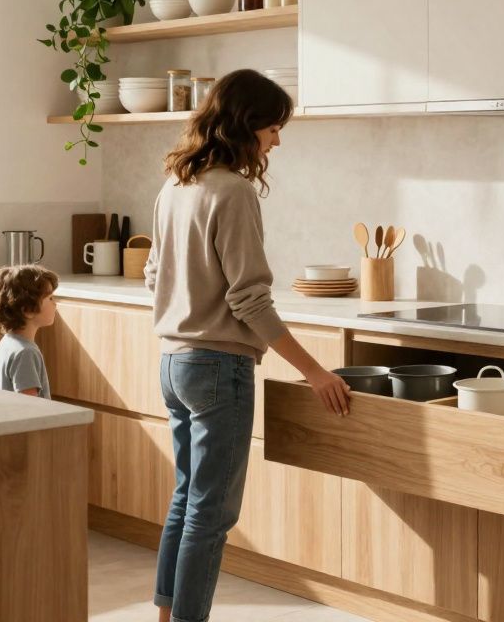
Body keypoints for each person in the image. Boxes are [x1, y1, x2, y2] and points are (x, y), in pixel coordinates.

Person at [145, 68, 351, 622]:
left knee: (187, 501)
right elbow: (250, 303)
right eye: (274, 127)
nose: (277, 140)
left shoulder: (176, 185)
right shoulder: (232, 191)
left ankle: (166, 616)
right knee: (210, 515)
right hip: (217, 367)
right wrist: (317, 373)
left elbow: (152, 275)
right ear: (247, 124)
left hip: (174, 363)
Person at [0, 264, 59, 398]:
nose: (55, 303)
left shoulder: (7, 343)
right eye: (50, 298)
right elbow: (30, 407)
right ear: (27, 310)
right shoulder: (26, 353)